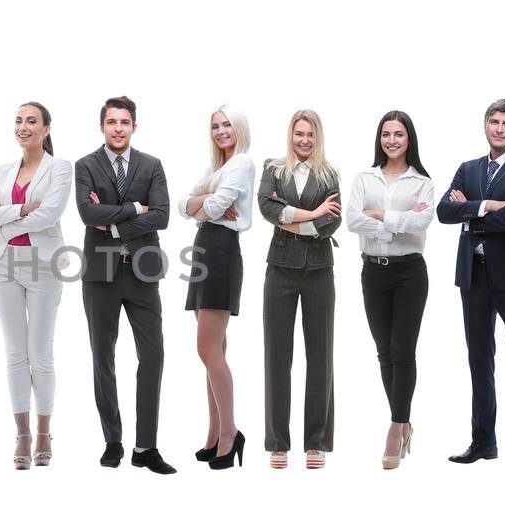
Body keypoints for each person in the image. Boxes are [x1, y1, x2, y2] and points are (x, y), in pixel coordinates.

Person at [436, 99, 505, 474]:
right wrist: (485, 205)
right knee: (478, 360)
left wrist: (468, 209)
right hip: (474, 276)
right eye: (493, 122)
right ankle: (483, 441)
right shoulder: (468, 168)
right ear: (485, 126)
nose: (499, 128)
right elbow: (442, 212)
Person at [75, 96, 176, 475]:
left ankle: (145, 446)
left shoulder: (152, 166)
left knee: (153, 356)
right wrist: (137, 209)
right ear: (102, 126)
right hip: (99, 275)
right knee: (104, 357)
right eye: (111, 122)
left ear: (135, 126)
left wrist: (113, 223)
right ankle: (113, 442)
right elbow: (88, 213)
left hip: (143, 273)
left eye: (125, 122)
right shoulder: (85, 165)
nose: (118, 128)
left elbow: (163, 216)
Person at [0, 102, 71, 469]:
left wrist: (5, 222)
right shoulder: (3, 170)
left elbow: (50, 212)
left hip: (43, 265)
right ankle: (23, 435)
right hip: (3, 265)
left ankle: (45, 431)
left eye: (31, 121)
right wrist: (20, 211)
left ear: (46, 129)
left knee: (40, 353)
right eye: (18, 121)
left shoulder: (60, 168)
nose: (23, 127)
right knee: (15, 352)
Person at [342, 110, 436, 470]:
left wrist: (378, 215)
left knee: (402, 349)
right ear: (379, 139)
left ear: (409, 138)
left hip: (410, 273)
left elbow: (423, 221)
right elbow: (352, 220)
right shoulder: (364, 177)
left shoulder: (422, 182)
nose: (392, 140)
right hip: (373, 273)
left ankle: (396, 428)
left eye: (399, 134)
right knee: (384, 352)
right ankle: (404, 420)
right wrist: (395, 221)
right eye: (386, 134)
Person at [256, 109, 341, 470]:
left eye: (310, 135)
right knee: (277, 356)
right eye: (299, 133)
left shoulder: (330, 173)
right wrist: (311, 213)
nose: (304, 140)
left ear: (318, 137)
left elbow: (332, 220)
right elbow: (264, 205)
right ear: (290, 135)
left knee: (320, 356)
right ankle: (278, 442)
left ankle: (316, 441)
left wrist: (288, 217)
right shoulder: (273, 168)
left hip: (319, 271)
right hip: (280, 271)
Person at [173, 103, 255, 470]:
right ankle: (214, 431)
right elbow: (181, 204)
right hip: (205, 248)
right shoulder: (217, 168)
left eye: (227, 125)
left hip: (220, 251)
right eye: (215, 126)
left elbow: (219, 204)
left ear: (238, 128)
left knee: (207, 348)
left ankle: (230, 433)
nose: (221, 131)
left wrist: (202, 203)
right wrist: (205, 203)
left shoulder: (241, 162)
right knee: (214, 347)